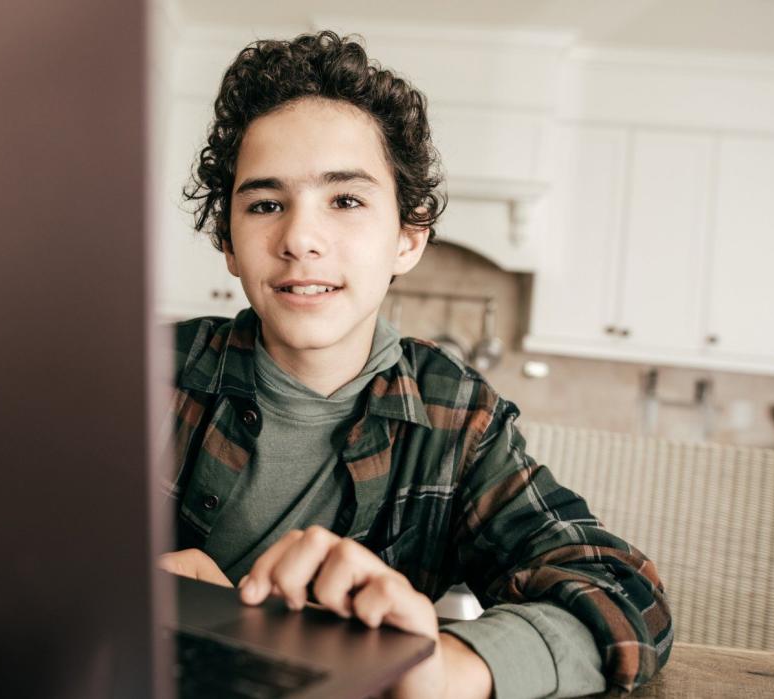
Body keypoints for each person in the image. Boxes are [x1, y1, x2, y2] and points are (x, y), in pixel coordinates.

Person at [158, 31, 671, 699]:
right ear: (229, 242)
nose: (300, 240)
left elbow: (622, 594)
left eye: (345, 200)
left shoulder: (458, 420)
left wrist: (442, 665)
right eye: (265, 204)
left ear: (407, 238)